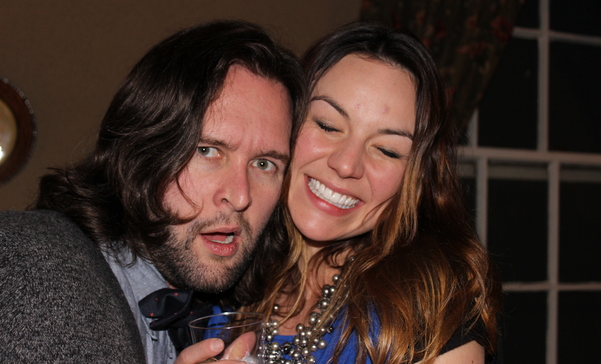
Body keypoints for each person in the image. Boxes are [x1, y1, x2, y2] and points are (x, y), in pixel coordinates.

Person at [0, 20, 306, 363]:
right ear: (143, 152)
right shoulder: (34, 264)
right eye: (207, 151)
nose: (240, 196)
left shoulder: (221, 315)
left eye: (264, 164)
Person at [246, 21, 502, 364]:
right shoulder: (224, 269)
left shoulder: (428, 304)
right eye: (327, 125)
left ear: (415, 179)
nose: (346, 164)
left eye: (387, 150)